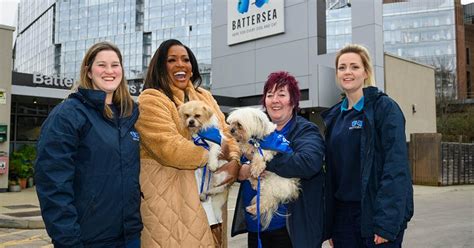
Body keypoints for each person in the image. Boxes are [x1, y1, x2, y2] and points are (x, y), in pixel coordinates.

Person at [35, 41, 142, 247]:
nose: (109, 71)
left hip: (130, 237)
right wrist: (68, 241)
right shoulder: (68, 115)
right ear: (89, 71)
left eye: (115, 64)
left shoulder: (130, 116)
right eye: (101, 65)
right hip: (87, 240)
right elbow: (53, 183)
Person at [135, 39, 241, 247]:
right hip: (170, 201)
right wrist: (216, 153)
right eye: (172, 60)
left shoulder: (205, 96)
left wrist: (235, 161)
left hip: (211, 200)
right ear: (160, 67)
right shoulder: (151, 99)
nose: (180, 65)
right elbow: (170, 149)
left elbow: (228, 135)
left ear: (192, 68)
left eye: (185, 59)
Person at [321, 44, 414, 248]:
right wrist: (330, 225)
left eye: (354, 66)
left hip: (375, 214)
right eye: (342, 67)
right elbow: (331, 176)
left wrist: (386, 223)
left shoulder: (385, 109)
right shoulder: (335, 117)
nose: (347, 72)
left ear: (366, 72)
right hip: (343, 219)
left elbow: (396, 168)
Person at [231, 71, 326, 248]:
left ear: (293, 101)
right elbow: (241, 161)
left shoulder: (306, 131)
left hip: (289, 231)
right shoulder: (255, 130)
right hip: (256, 228)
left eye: (282, 94)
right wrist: (242, 170)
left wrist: (264, 162)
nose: (275, 100)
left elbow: (308, 163)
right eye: (270, 95)